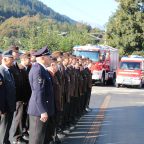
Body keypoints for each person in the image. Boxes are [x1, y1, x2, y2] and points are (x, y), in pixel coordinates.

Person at [27, 46, 55, 144]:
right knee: (37, 139)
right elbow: (38, 92)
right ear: (43, 57)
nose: (51, 58)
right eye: (49, 56)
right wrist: (43, 111)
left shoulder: (43, 69)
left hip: (44, 109)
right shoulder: (38, 70)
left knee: (44, 138)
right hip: (39, 111)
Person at [0, 50, 16, 144]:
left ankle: (6, 141)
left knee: (8, 127)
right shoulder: (1, 70)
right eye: (11, 59)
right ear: (5, 59)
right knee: (4, 128)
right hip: (5, 106)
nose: (13, 61)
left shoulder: (8, 70)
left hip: (10, 105)